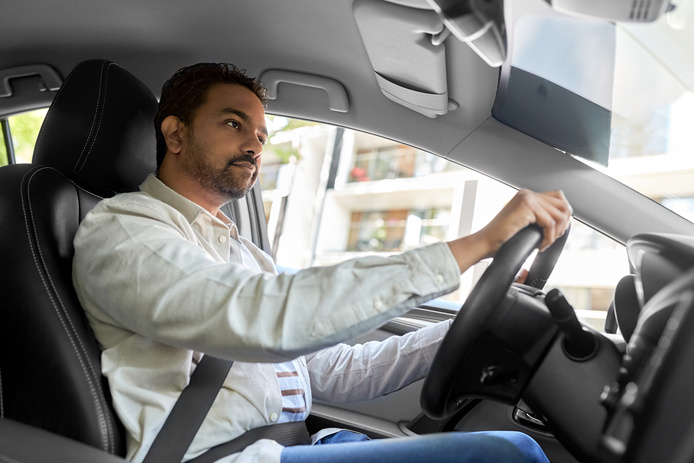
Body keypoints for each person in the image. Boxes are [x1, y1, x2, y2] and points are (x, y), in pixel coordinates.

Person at [72, 63, 572, 463]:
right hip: (228, 458)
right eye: (233, 123)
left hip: (295, 443)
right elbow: (267, 319)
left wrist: (476, 323)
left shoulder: (242, 252)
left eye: (262, 136)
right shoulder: (125, 229)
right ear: (175, 135)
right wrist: (477, 244)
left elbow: (332, 371)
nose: (254, 144)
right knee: (508, 453)